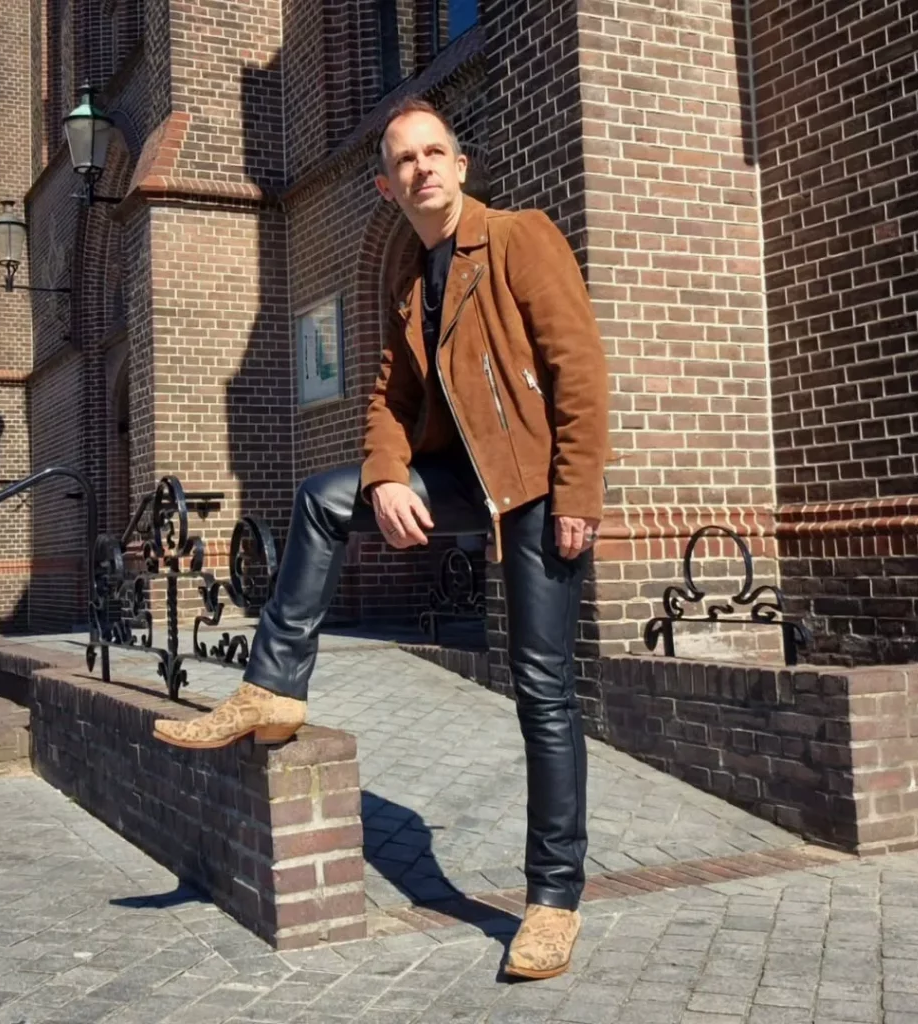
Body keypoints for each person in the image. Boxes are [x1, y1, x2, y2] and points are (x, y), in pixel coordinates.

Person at [153, 97, 610, 981]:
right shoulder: (411, 284)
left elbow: (578, 367)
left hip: (535, 487)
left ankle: (553, 900)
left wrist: (577, 493)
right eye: (405, 161)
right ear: (385, 184)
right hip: (461, 477)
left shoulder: (519, 238)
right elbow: (390, 403)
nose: (423, 169)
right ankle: (274, 689)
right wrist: (387, 478)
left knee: (541, 690)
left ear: (460, 165)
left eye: (435, 153)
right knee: (325, 497)